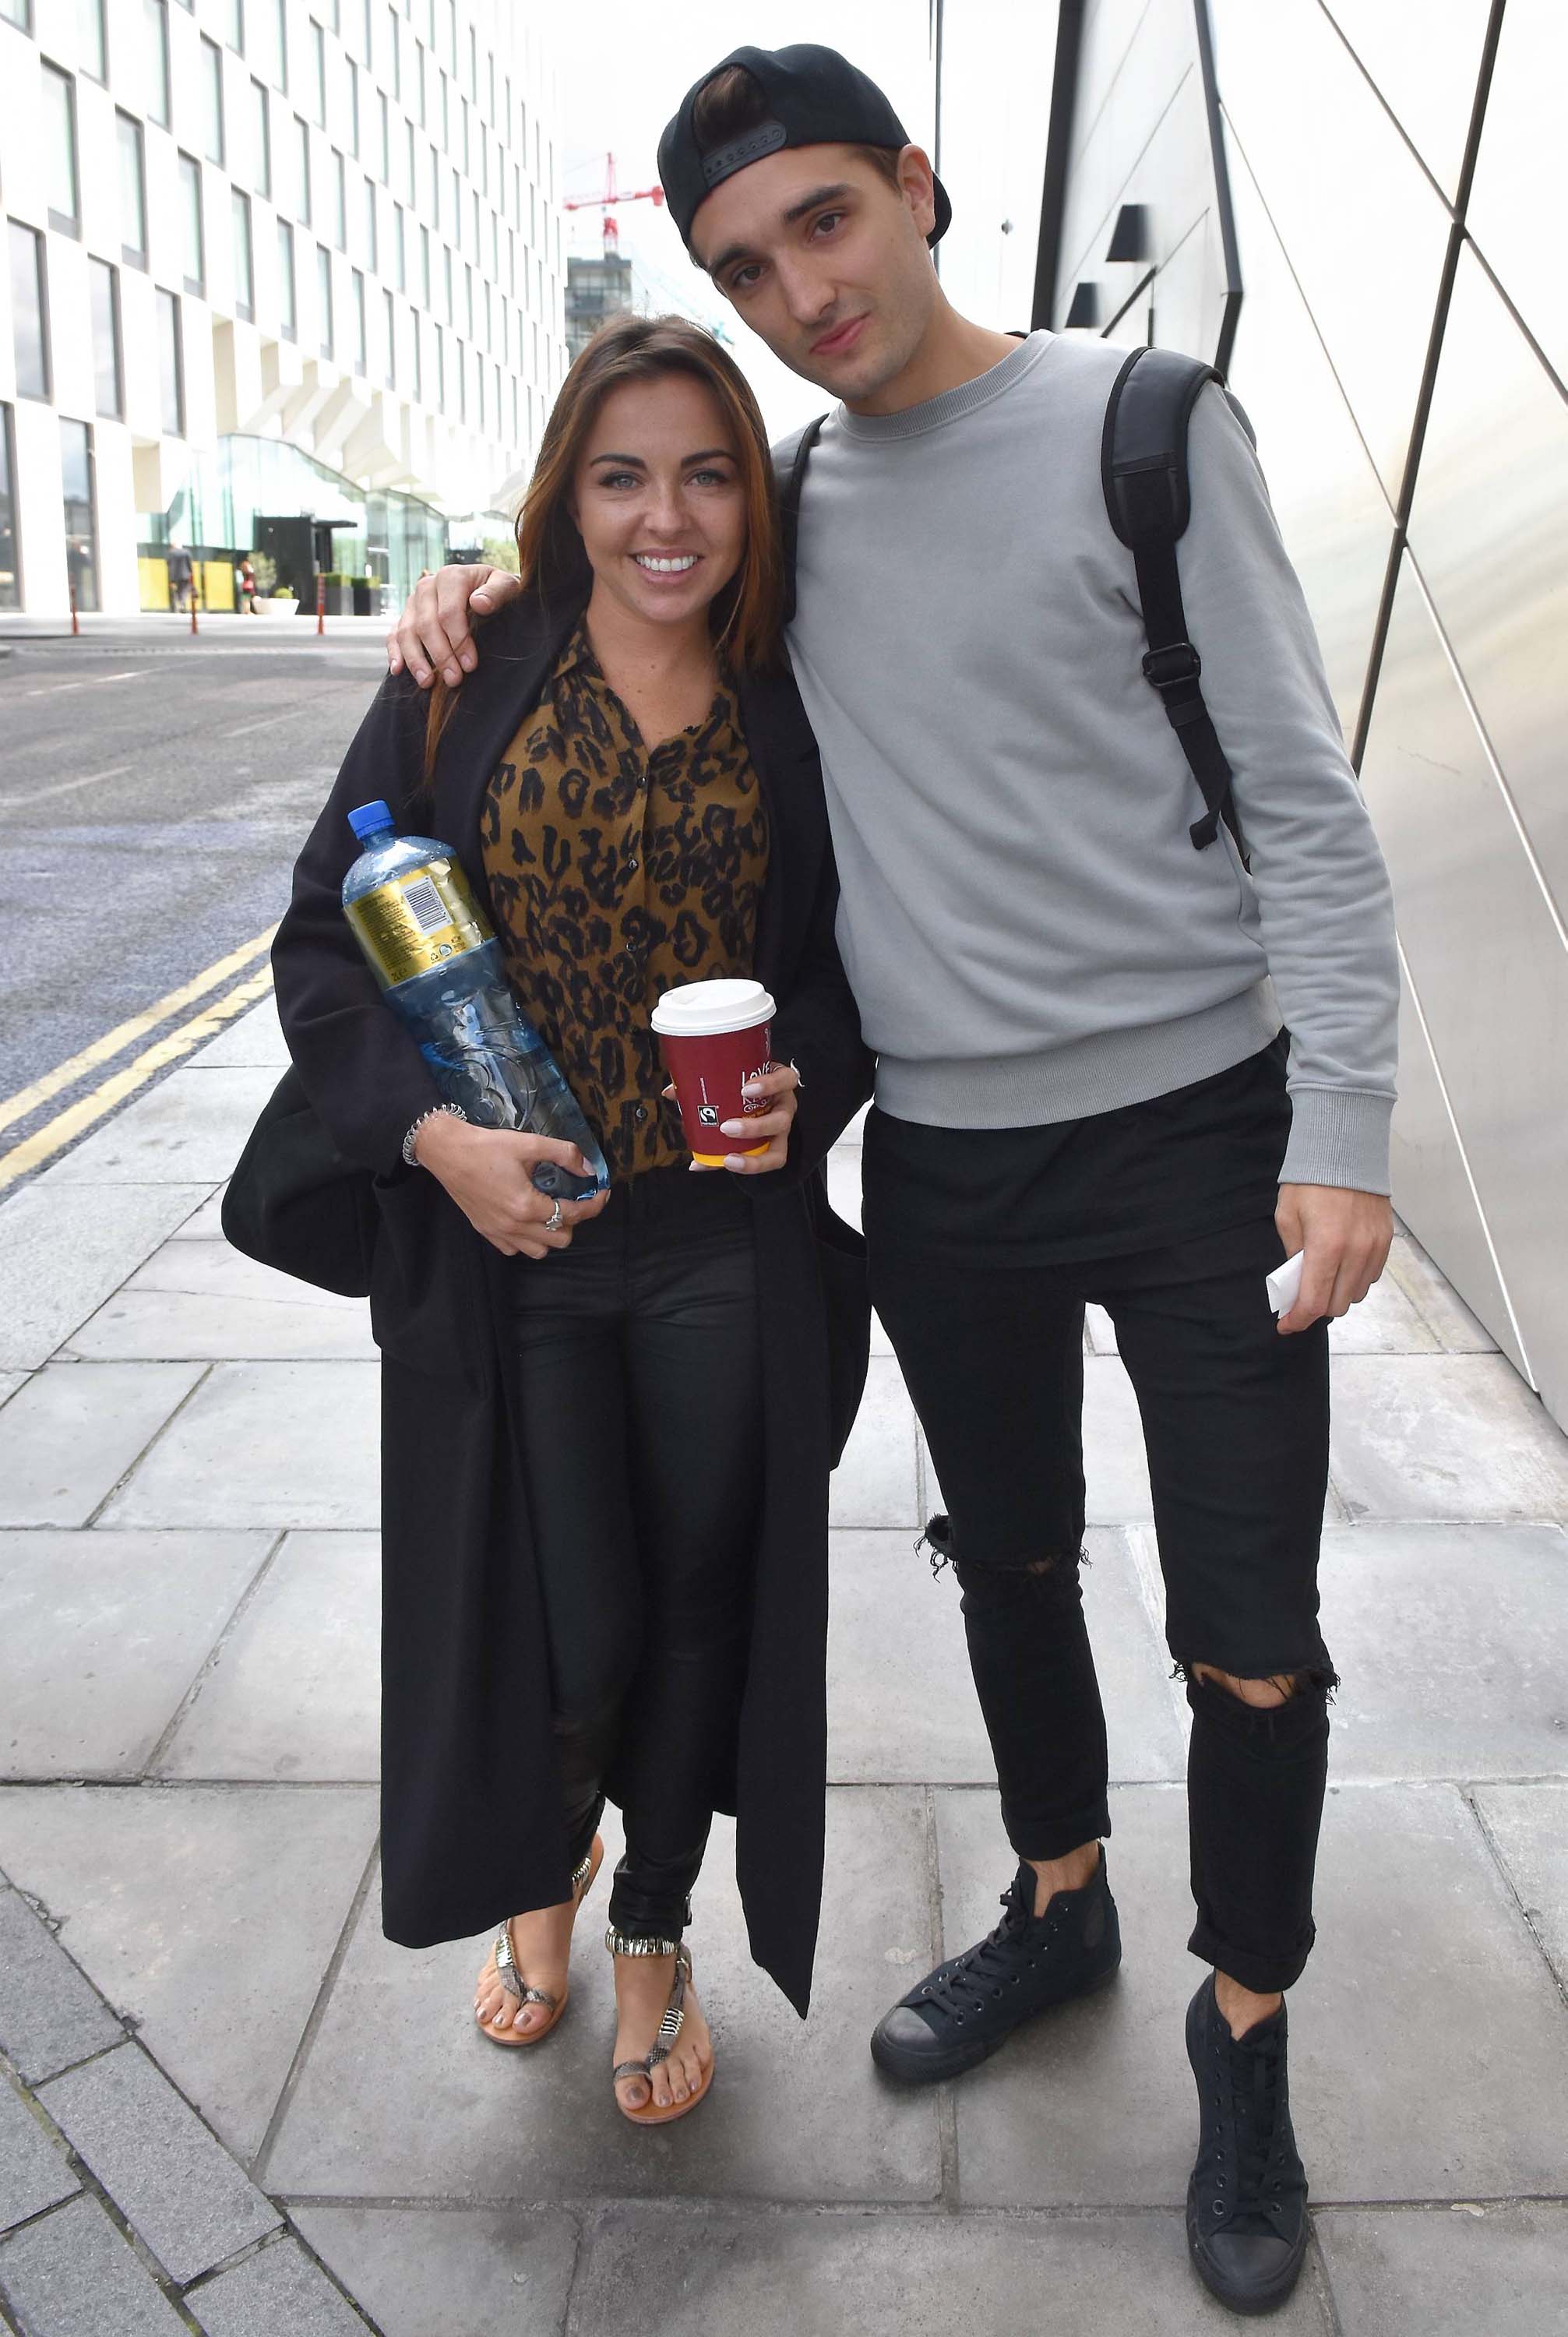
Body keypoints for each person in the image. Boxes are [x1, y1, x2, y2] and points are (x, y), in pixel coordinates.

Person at [387, 44, 1398, 2313]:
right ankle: (1061, 1904)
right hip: (940, 1154)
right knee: (1005, 1560)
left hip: (1199, 1137)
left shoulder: (1145, 429)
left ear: (918, 193)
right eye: (746, 263)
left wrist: (1342, 1129)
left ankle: (1243, 2036)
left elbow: (1300, 800)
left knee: (1247, 1639)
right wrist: (478, 588)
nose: (796, 289)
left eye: (823, 223)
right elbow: (640, 564)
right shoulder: (797, 502)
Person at [273, 313, 872, 2125]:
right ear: (566, 495)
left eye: (705, 473)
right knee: (551, 1614)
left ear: (750, 504)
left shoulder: (798, 688)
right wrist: (434, 1143)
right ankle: (545, 1885)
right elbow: (322, 937)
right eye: (621, 476)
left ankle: (654, 1931)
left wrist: (805, 1089)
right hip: (513, 1243)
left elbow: (854, 962)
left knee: (694, 1600)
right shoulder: (470, 667)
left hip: (711, 1244)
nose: (664, 515)